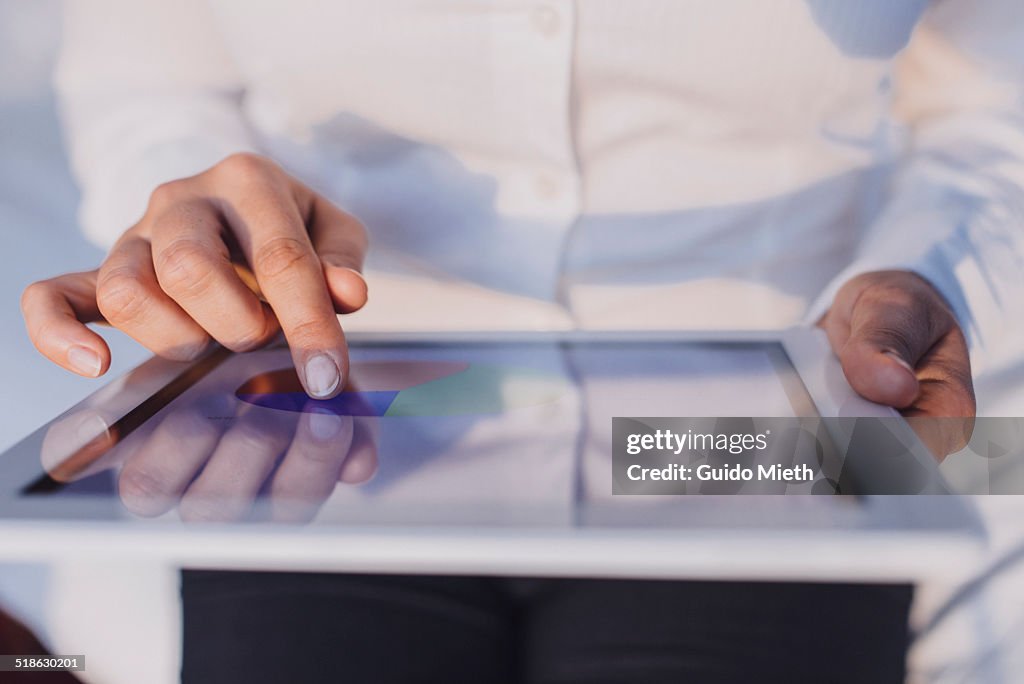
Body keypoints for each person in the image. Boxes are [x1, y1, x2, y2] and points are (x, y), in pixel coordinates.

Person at [18, 0, 1024, 681]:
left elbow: (992, 104)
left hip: (755, 437)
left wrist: (924, 277)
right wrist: (207, 220)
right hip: (335, 415)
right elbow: (146, 74)